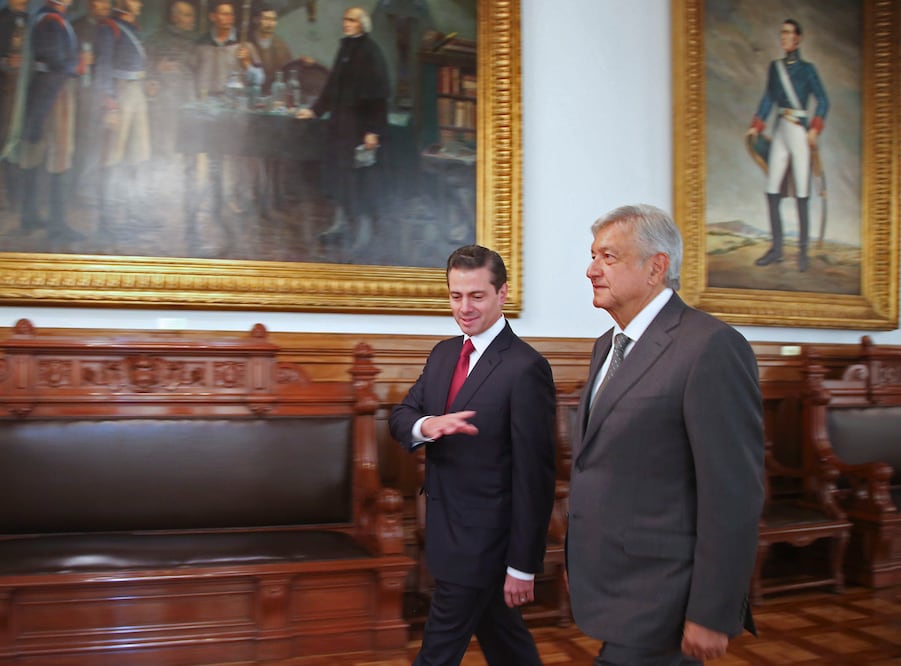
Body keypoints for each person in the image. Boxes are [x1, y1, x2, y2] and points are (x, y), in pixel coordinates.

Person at [567, 204, 764, 665]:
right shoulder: (607, 346)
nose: (591, 270)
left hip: (665, 592)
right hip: (616, 583)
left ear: (656, 267)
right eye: (593, 256)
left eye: (608, 257)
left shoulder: (710, 346)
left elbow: (732, 493)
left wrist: (713, 611)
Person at [390, 244, 557, 666]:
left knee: (437, 654)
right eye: (456, 296)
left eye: (477, 296)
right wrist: (428, 425)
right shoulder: (444, 353)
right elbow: (401, 416)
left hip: (485, 544)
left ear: (502, 294)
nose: (464, 308)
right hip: (445, 533)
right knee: (508, 644)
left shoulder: (526, 367)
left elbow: (534, 477)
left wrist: (522, 565)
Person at [297, 6, 389, 253]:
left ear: (362, 24)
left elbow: (379, 96)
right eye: (345, 19)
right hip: (340, 125)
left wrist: (373, 130)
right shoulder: (345, 47)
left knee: (359, 181)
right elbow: (331, 87)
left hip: (360, 128)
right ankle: (340, 226)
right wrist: (314, 111)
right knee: (340, 178)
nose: (346, 23)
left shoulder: (371, 52)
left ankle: (363, 233)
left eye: (352, 20)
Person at [746, 18, 828, 272]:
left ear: (798, 39)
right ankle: (777, 249)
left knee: (802, 191)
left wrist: (814, 129)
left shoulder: (808, 69)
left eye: (789, 33)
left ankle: (803, 253)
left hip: (799, 132)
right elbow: (769, 98)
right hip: (781, 129)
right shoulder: (776, 68)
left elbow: (823, 100)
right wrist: (757, 126)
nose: (784, 37)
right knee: (772, 190)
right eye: (782, 32)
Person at [15, 0, 87, 241]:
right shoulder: (50, 20)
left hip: (45, 90)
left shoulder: (53, 18)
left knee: (36, 152)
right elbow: (55, 60)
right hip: (55, 92)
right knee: (60, 153)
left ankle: (30, 215)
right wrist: (78, 65)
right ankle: (57, 225)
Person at [94, 0, 151, 236]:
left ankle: (132, 214)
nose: (140, 4)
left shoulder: (134, 27)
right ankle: (106, 221)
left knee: (138, 154)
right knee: (112, 157)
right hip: (119, 91)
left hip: (136, 90)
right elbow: (103, 68)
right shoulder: (109, 28)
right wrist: (110, 105)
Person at [70, 0, 111, 204]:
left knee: (101, 142)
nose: (105, 5)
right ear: (89, 3)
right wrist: (80, 60)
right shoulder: (77, 27)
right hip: (84, 91)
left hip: (105, 92)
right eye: (100, 1)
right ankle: (79, 190)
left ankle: (93, 189)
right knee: (84, 140)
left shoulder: (111, 28)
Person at [0, 0, 28, 211]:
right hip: (5, 91)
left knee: (17, 142)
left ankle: (15, 197)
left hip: (22, 90)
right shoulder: (3, 19)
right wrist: (6, 63)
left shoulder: (28, 20)